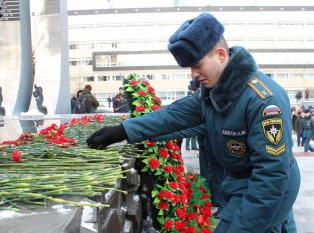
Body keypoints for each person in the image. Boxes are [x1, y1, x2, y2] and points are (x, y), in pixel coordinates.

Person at [87, 13, 300, 232]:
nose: (194, 74)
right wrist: (123, 130)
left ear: (220, 54)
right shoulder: (214, 92)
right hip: (241, 183)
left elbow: (271, 176)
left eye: (197, 65)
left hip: (268, 187)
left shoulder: (263, 101)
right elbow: (173, 116)